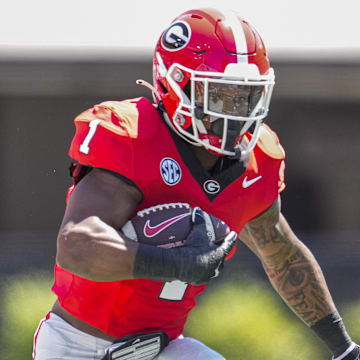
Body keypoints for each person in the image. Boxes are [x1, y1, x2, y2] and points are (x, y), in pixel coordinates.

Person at [32, 7, 359, 360]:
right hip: (76, 345)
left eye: (245, 96)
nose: (235, 112)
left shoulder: (258, 159)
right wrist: (173, 264)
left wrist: (344, 349)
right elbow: (75, 245)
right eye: (220, 95)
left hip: (166, 347)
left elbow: (283, 256)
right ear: (175, 83)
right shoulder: (133, 136)